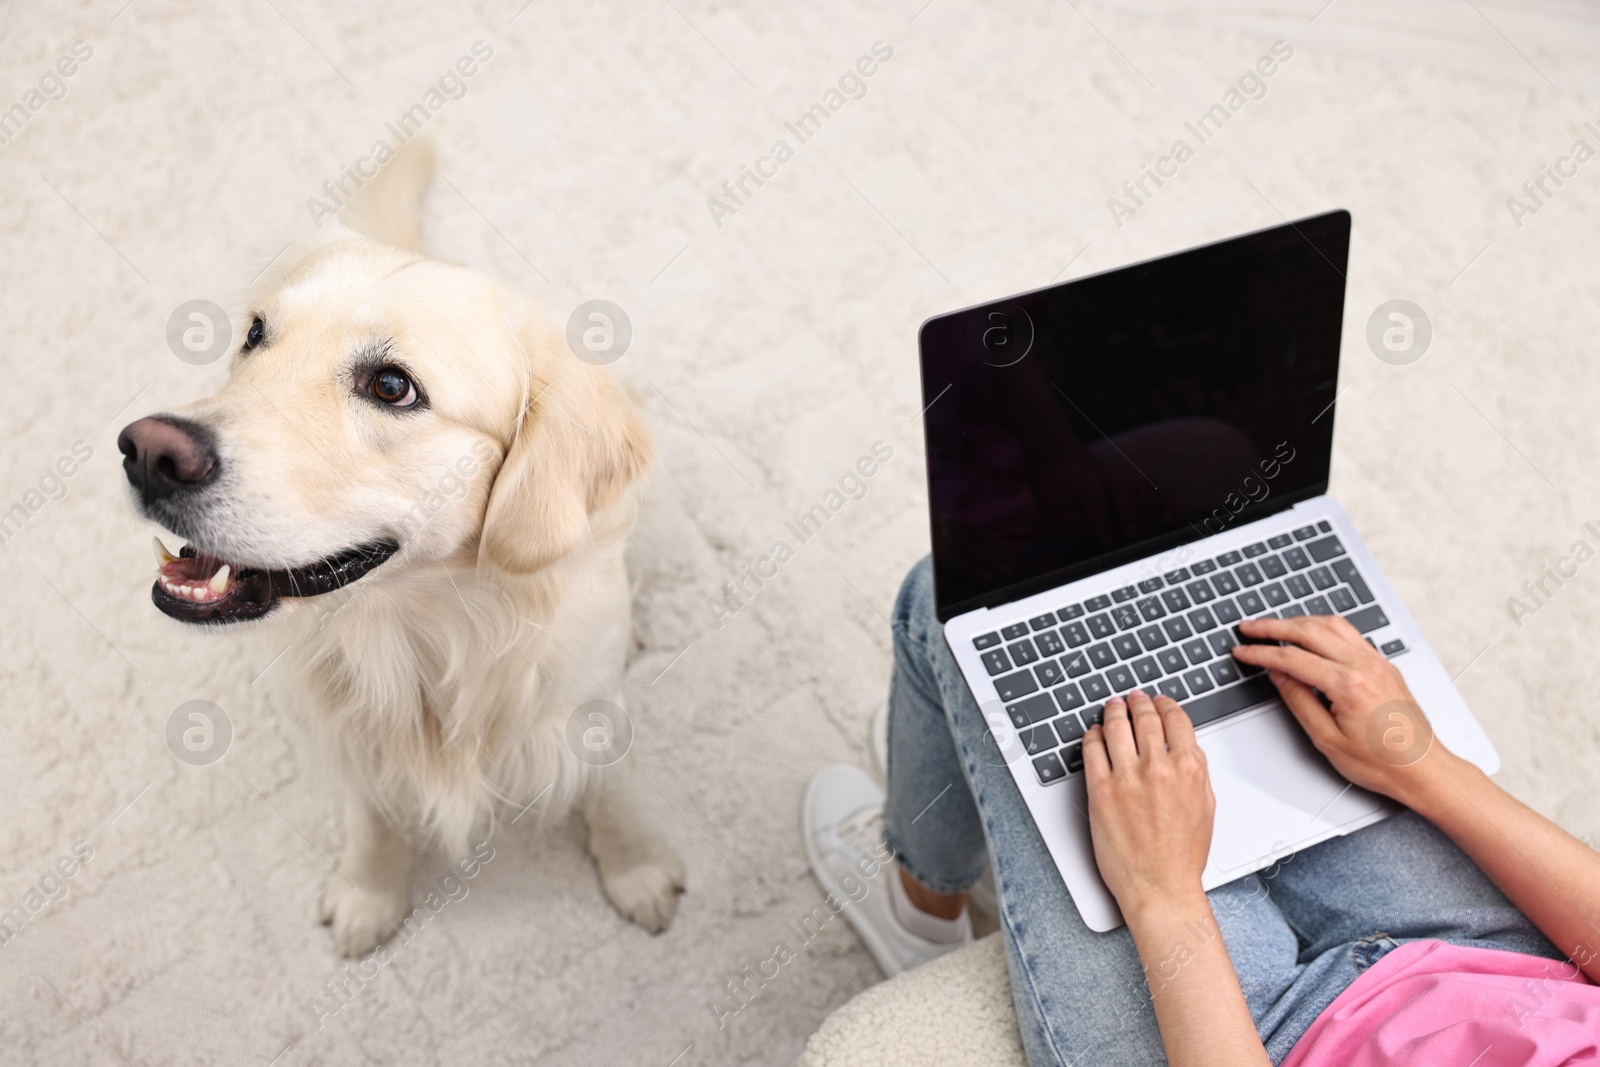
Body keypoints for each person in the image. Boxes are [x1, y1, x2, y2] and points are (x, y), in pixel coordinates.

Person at [804, 558, 1600, 1066]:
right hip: (1498, 961)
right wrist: (1428, 769)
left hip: (1255, 1043)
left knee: (954, 602)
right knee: (1217, 521)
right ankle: (979, 773)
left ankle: (921, 906)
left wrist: (1164, 897)